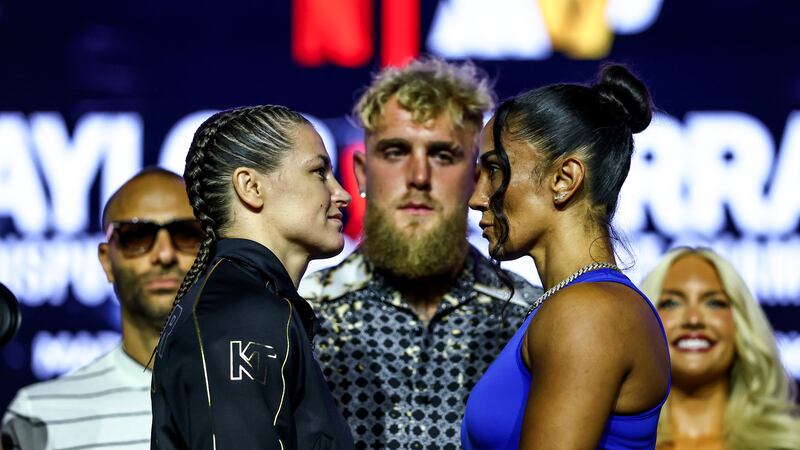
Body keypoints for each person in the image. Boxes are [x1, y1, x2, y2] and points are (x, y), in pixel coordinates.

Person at [298, 58, 541, 450]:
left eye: (443, 155)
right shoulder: (301, 318)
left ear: (477, 178)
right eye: (395, 151)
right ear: (361, 171)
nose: (419, 176)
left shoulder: (531, 319)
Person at [462, 64, 671, 449]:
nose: (476, 198)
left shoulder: (589, 312)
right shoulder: (574, 304)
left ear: (564, 179)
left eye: (494, 170)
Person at [150, 105, 355, 450]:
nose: (342, 194)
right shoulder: (241, 314)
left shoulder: (244, 303)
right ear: (251, 187)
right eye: (320, 173)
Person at [1, 168, 201, 450]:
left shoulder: (275, 394)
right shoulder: (38, 417)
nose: (164, 254)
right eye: (136, 236)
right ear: (107, 262)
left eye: (186, 233)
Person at [640, 247, 800, 450]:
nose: (693, 319)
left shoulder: (789, 444)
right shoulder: (610, 442)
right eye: (671, 303)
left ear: (741, 325)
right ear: (645, 320)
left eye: (714, 303)